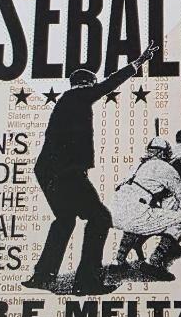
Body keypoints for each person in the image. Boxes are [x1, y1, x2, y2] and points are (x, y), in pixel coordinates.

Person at [22, 42, 158, 295]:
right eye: (92, 85)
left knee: (65, 219)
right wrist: (138, 62)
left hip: (48, 172)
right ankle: (86, 281)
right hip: (65, 172)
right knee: (100, 218)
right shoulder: (77, 96)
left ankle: (42, 276)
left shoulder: (67, 104)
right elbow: (109, 84)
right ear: (86, 84)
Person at [111, 136, 181, 281]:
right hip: (136, 212)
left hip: (114, 211)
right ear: (163, 153)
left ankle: (118, 262)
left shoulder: (138, 165)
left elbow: (119, 186)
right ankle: (153, 263)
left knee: (135, 219)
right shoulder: (166, 168)